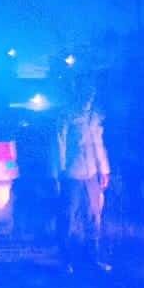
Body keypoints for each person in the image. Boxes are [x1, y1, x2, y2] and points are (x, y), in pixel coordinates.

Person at [52, 81, 112, 272]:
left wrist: (104, 170)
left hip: (91, 173)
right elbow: (59, 145)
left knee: (94, 215)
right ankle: (65, 259)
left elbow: (99, 146)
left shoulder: (95, 117)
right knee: (69, 216)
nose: (89, 98)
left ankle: (92, 257)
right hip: (72, 173)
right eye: (86, 93)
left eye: (92, 94)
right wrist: (59, 173)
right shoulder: (67, 116)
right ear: (78, 93)